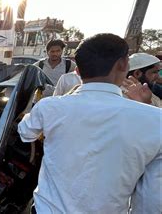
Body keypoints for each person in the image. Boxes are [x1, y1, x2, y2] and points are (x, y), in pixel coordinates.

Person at [18, 33, 161, 213]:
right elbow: (152, 198)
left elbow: (25, 132)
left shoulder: (49, 108)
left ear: (77, 70)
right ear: (124, 64)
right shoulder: (155, 120)